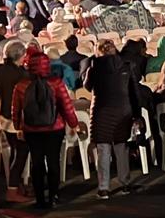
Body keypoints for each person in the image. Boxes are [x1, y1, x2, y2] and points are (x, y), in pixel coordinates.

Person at [12, 45, 79, 209]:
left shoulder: (21, 85)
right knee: (53, 161)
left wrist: (18, 127)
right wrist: (74, 124)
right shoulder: (56, 83)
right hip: (54, 128)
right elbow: (66, 106)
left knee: (36, 162)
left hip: (31, 130)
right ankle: (54, 196)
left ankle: (40, 198)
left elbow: (16, 110)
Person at [85, 39, 140, 199]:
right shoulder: (126, 66)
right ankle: (125, 183)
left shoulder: (94, 68)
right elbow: (133, 92)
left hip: (101, 111)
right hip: (123, 110)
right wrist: (137, 115)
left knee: (103, 150)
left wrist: (91, 64)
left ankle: (103, 188)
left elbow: (87, 86)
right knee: (121, 148)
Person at [0, 40, 33, 201]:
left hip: (3, 115)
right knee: (21, 154)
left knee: (15, 152)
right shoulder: (21, 75)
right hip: (17, 119)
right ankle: (12, 190)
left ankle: (16, 185)